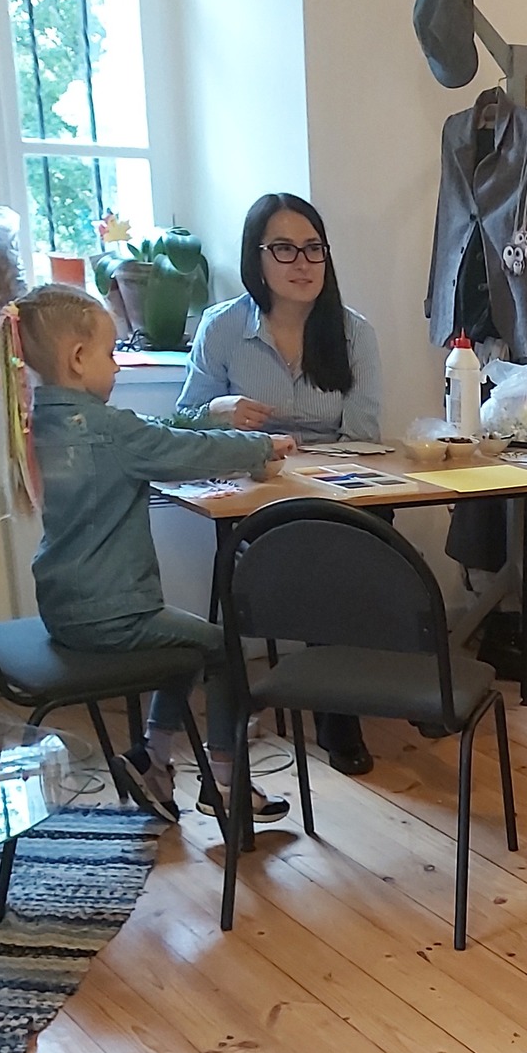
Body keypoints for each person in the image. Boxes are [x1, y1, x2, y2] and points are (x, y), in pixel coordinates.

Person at [0, 285, 295, 826]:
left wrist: (211, 417)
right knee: (222, 645)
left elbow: (155, 434)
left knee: (185, 642)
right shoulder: (108, 431)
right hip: (113, 614)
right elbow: (180, 452)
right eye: (110, 354)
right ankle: (225, 780)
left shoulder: (42, 421)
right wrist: (260, 447)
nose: (116, 366)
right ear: (78, 358)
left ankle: (153, 760)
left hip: (65, 608)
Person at [177, 192, 383, 775]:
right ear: (256, 257)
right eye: (284, 249)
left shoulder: (354, 333)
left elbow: (365, 436)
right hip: (254, 492)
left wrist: (312, 470)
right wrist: (219, 410)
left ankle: (362, 697)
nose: (303, 263)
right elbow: (180, 422)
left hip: (334, 490)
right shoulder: (222, 327)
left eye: (314, 248)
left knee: (358, 537)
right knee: (322, 550)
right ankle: (335, 710)